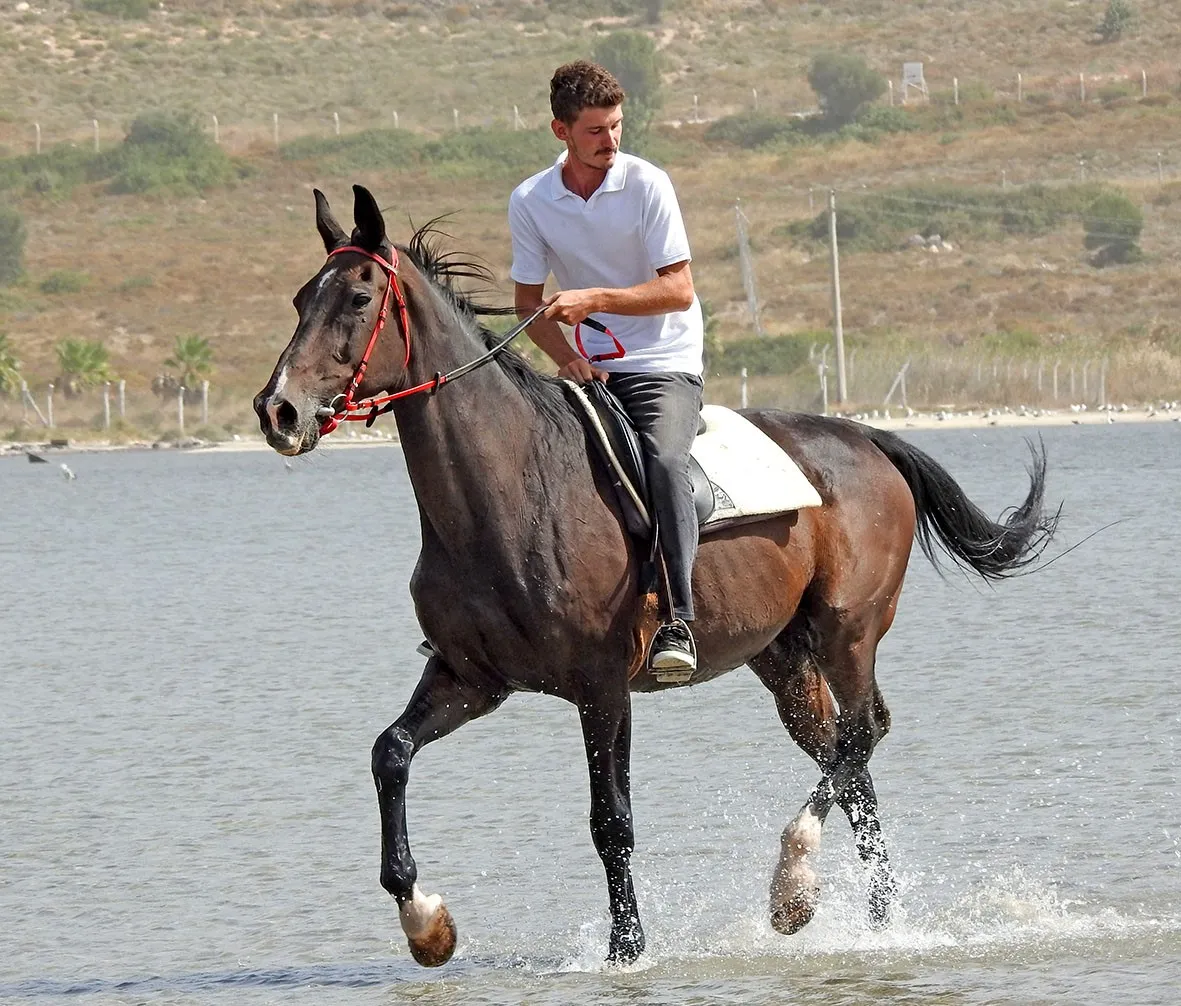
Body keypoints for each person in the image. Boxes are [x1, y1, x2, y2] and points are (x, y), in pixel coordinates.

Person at [508, 60, 705, 674]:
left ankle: (679, 620)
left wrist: (593, 299)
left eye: (616, 127)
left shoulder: (649, 185)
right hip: (588, 370)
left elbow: (679, 291)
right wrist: (566, 359)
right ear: (559, 131)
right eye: (595, 130)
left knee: (666, 462)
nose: (611, 141)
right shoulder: (531, 201)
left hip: (663, 360)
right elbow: (527, 309)